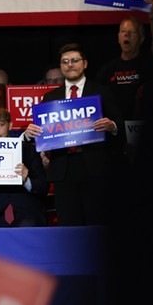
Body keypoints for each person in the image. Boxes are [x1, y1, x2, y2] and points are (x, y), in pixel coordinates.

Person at [23, 43, 125, 226]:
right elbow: (43, 136)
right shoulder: (50, 98)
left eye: (75, 60)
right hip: (63, 170)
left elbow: (120, 126)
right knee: (69, 225)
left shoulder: (101, 91)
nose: (70, 65)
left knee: (97, 224)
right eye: (65, 61)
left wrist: (112, 126)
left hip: (94, 168)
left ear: (85, 64)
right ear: (61, 66)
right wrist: (31, 134)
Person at [95, 0, 153, 121]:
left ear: (141, 38)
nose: (126, 35)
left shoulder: (149, 63)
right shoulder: (107, 70)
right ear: (118, 38)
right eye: (123, 32)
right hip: (116, 129)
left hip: (144, 126)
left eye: (131, 32)